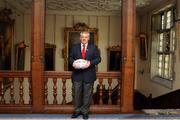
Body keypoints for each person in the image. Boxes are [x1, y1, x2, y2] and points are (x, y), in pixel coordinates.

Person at [68, 31, 101, 119]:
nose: (84, 38)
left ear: (88, 38)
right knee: (76, 94)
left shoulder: (93, 48)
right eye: (82, 37)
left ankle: (85, 111)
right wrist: (73, 63)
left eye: (86, 37)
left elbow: (98, 59)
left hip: (89, 75)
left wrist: (90, 63)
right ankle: (77, 111)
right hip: (77, 75)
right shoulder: (74, 47)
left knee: (87, 94)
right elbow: (70, 58)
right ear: (80, 38)